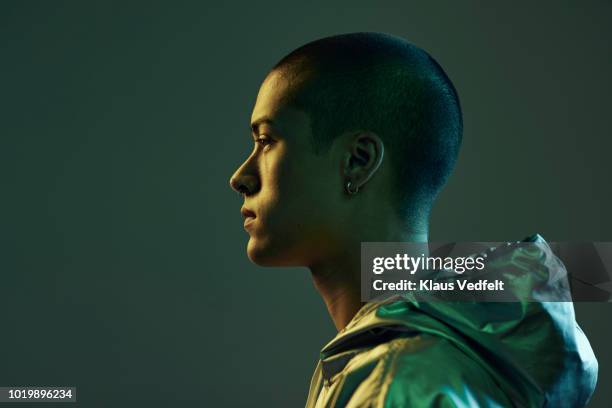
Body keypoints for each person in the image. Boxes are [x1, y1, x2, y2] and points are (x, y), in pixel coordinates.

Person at [229, 32, 598, 407]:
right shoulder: (418, 364)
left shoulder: (397, 381)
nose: (240, 177)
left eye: (266, 140)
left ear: (358, 160)